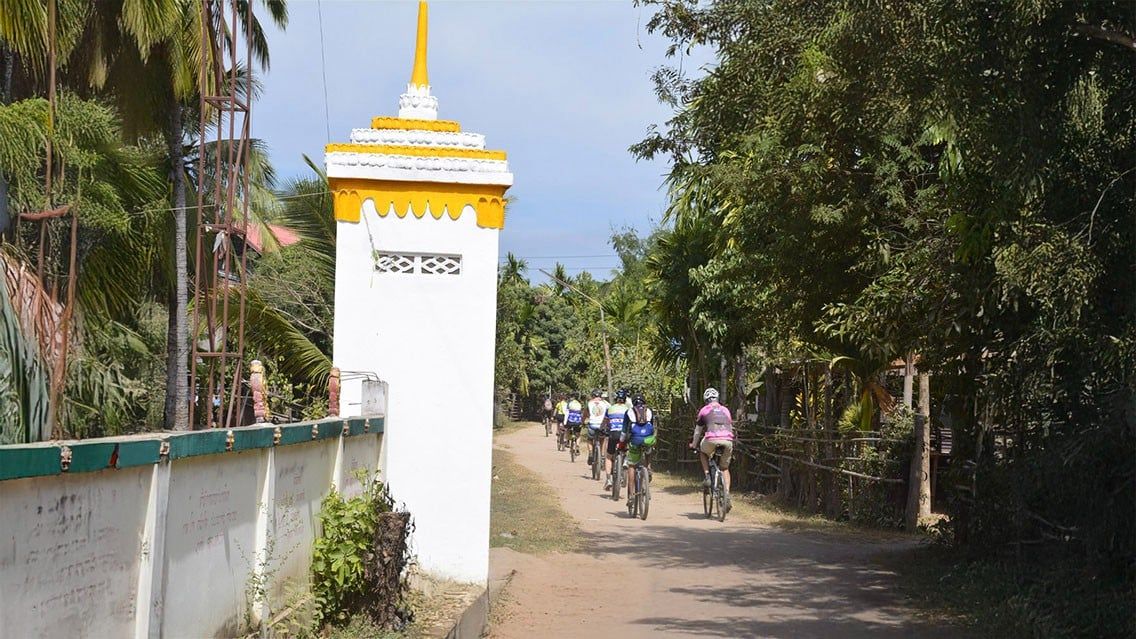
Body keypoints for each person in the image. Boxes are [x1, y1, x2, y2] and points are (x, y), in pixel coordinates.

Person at [691, 387, 734, 497]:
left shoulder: (704, 410)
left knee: (702, 452)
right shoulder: (725, 410)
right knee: (724, 468)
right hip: (728, 440)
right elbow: (730, 426)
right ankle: (727, 495)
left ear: (706, 400)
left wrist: (693, 444)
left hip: (711, 439)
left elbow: (698, 431)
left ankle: (707, 476)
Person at [622, 393, 656, 507]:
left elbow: (624, 430)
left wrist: (622, 442)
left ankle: (631, 494)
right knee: (649, 448)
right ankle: (648, 467)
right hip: (648, 439)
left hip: (635, 440)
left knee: (631, 465)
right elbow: (652, 426)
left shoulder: (629, 412)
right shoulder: (649, 411)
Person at [602, 389, 630, 489]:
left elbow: (605, 422)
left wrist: (603, 429)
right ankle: (626, 460)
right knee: (627, 448)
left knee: (609, 456)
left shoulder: (610, 408)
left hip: (613, 434)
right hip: (624, 435)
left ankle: (608, 479)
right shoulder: (628, 409)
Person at [585, 389, 610, 466]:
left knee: (589, 439)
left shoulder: (589, 403)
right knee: (603, 439)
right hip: (602, 426)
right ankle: (602, 457)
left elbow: (585, 414)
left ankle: (590, 453)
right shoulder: (605, 404)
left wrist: (583, 421)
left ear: (592, 396)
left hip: (592, 424)